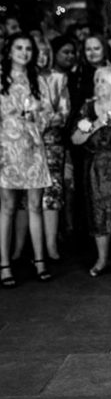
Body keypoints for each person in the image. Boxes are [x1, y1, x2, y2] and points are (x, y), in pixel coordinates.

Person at [0, 34, 53, 286]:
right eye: (19, 48)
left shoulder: (38, 80)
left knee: (35, 205)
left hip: (33, 147)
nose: (24, 52)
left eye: (28, 48)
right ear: (9, 51)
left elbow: (48, 115)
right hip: (7, 149)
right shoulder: (2, 78)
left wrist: (36, 115)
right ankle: (5, 264)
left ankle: (40, 260)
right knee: (8, 207)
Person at [71, 65, 111, 276]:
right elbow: (75, 139)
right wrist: (96, 124)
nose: (99, 86)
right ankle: (101, 259)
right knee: (98, 212)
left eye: (103, 81)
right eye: (97, 81)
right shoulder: (87, 108)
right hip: (95, 169)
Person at [36, 36, 71, 261]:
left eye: (45, 52)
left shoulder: (59, 78)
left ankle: (50, 244)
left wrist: (43, 119)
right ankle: (26, 246)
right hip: (26, 143)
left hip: (52, 142)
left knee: (52, 192)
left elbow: (64, 113)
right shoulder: (21, 79)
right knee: (26, 197)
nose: (42, 56)